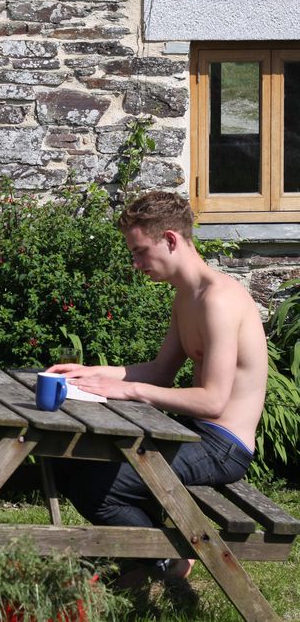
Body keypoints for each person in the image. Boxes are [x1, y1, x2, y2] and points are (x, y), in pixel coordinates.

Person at [47, 190, 267, 581]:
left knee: (96, 486)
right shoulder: (187, 296)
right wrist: (93, 373)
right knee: (69, 461)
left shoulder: (220, 301)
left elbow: (214, 401)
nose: (135, 264)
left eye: (140, 252)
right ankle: (153, 555)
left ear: (169, 239)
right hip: (197, 435)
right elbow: (161, 371)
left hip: (223, 447)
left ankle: (165, 562)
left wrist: (127, 390)